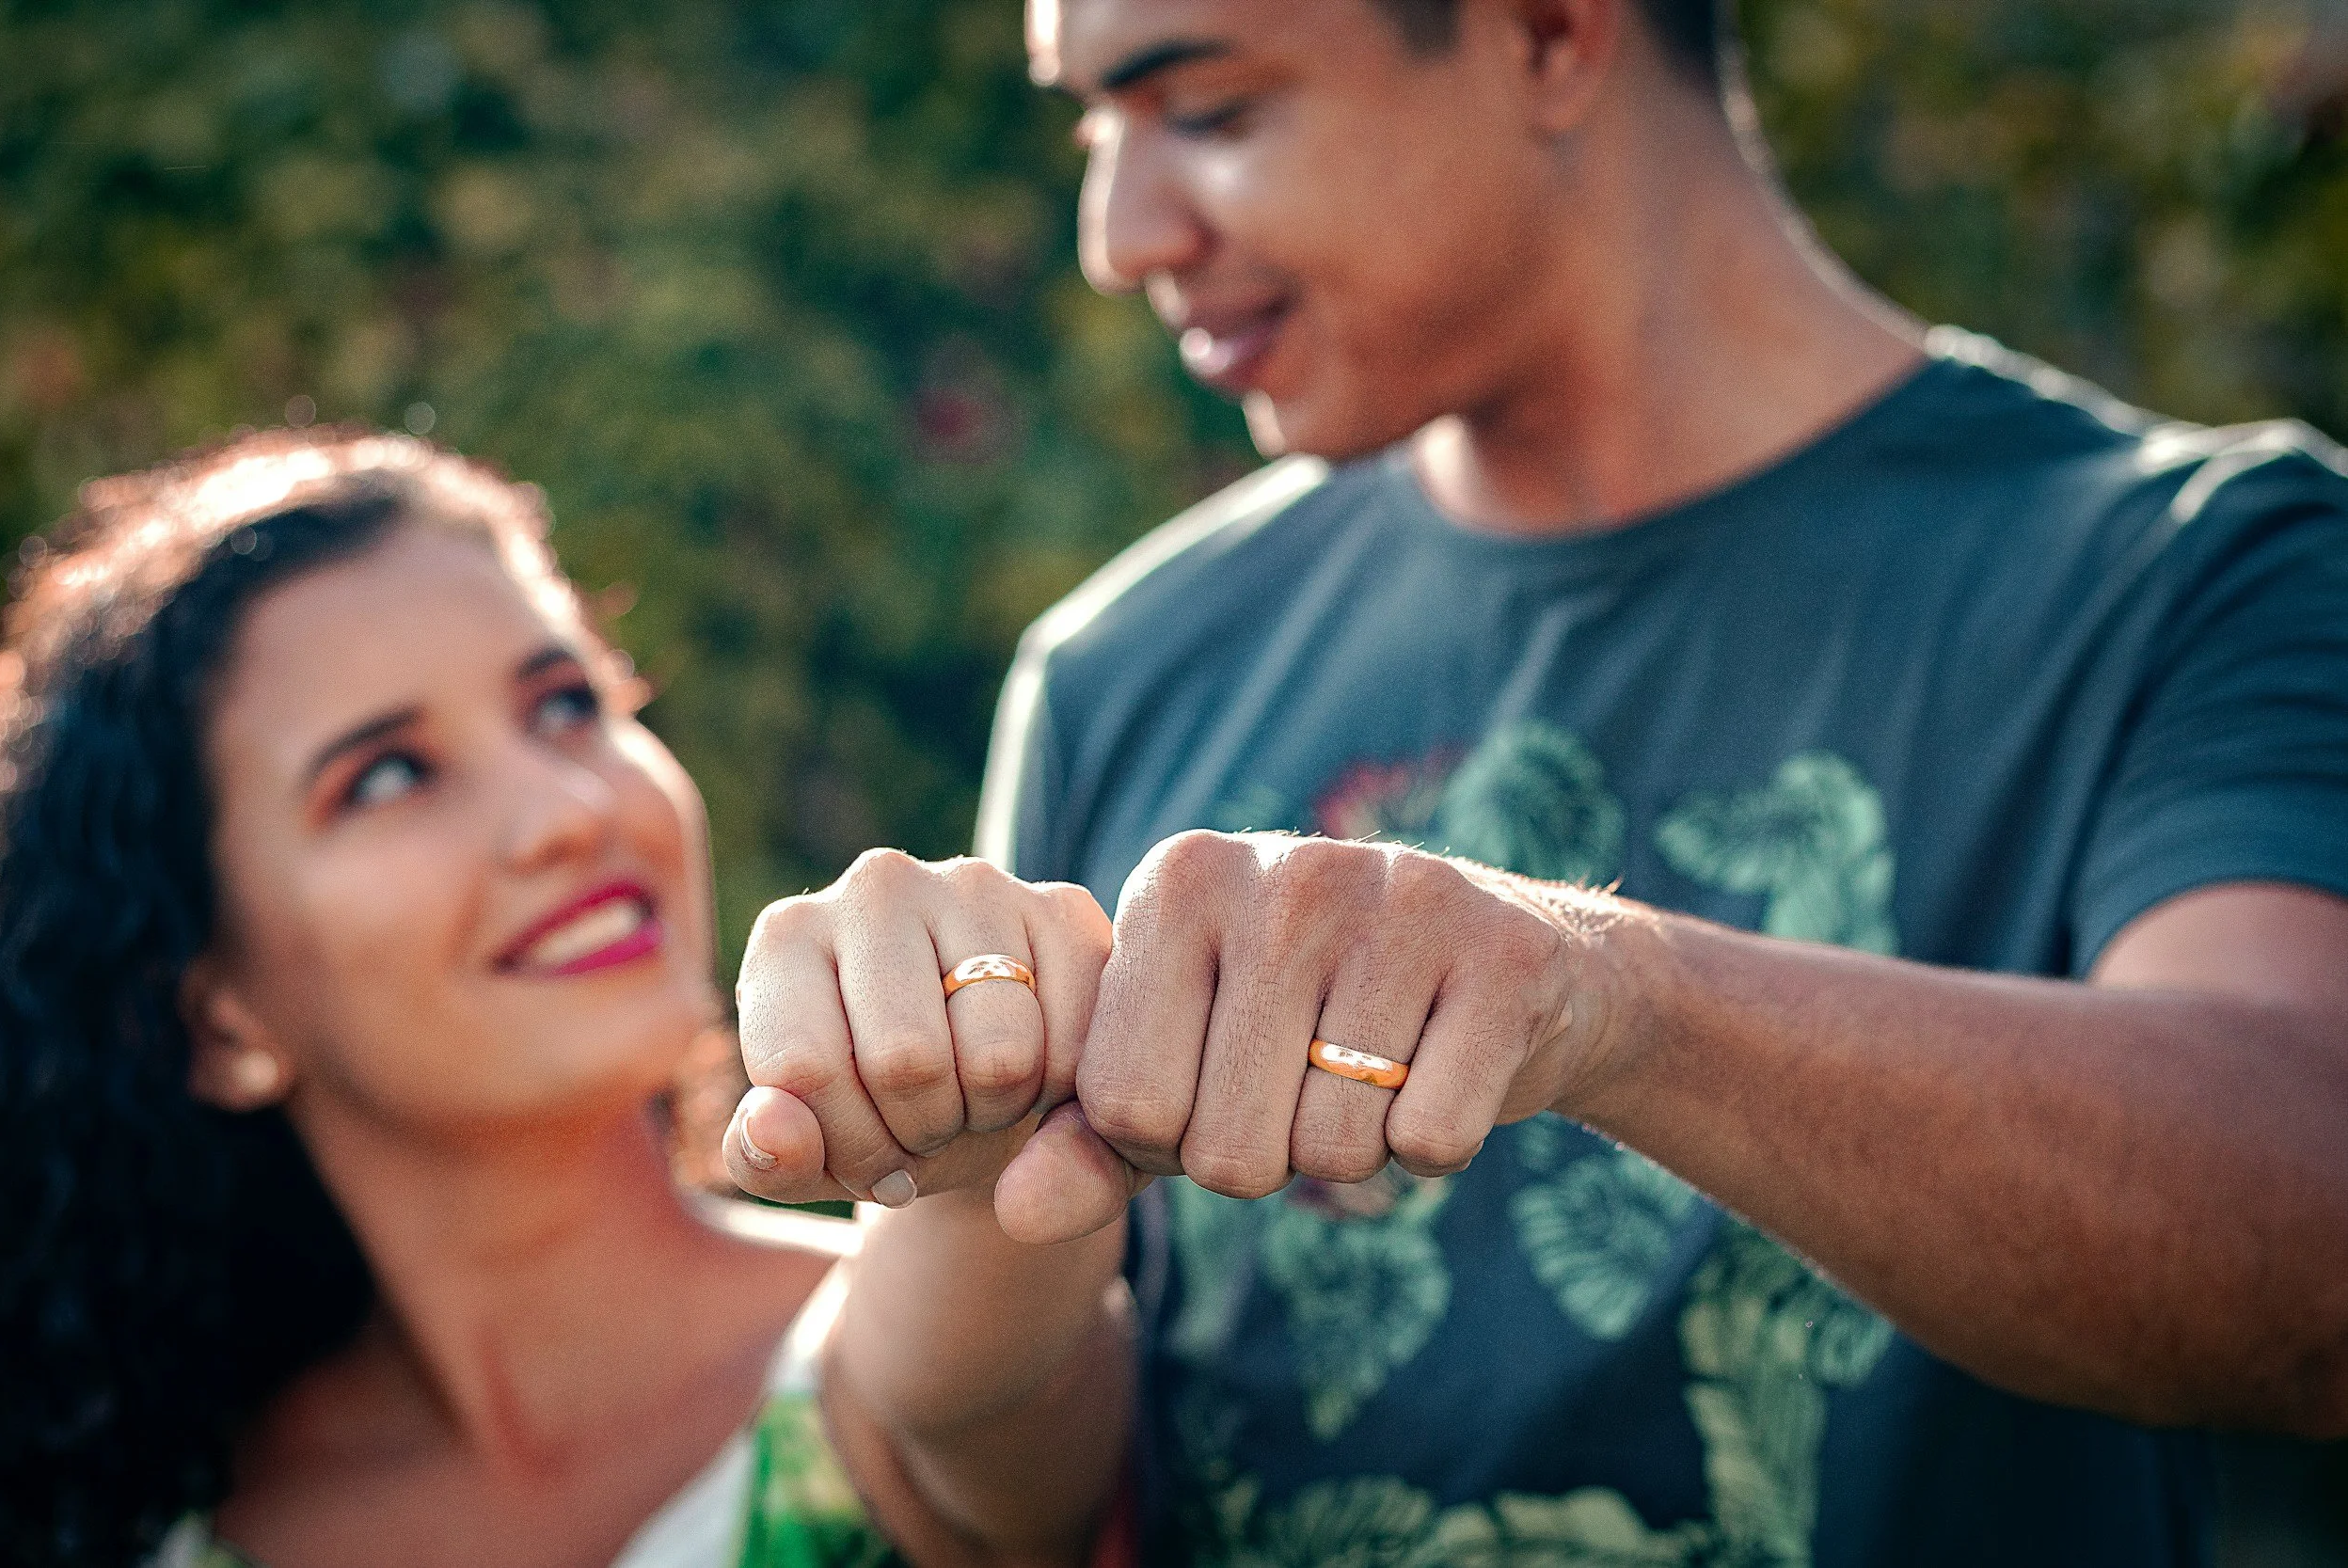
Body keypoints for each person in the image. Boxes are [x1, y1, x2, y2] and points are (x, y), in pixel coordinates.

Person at [724, 0, 2348, 1563]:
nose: (1120, 233)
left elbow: (2309, 1254)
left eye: (1208, 109)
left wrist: (1612, 999)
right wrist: (963, 1208)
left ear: (1552, 32)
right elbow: (1030, 1514)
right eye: (1095, 125)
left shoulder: (2196, 576)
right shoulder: (1123, 664)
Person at [0, 430, 1127, 1568]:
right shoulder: (128, 1526)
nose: (569, 812)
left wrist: (981, 1133)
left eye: (565, 704)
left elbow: (994, 1357)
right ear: (217, 1019)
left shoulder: (889, 1379)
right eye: (387, 774)